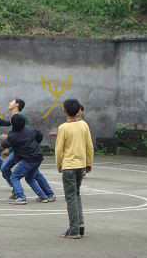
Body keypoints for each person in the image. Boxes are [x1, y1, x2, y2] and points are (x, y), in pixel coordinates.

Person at [1, 98, 55, 202]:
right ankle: (22, 192)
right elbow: (35, 135)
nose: (9, 102)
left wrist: (28, 145)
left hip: (25, 152)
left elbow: (19, 136)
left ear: (16, 104)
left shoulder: (21, 118)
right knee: (9, 169)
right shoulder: (15, 120)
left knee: (26, 174)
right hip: (27, 151)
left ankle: (23, 195)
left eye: (11, 101)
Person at [55, 98, 93, 239]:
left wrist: (59, 164)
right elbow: (89, 146)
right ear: (78, 111)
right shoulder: (84, 125)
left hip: (69, 166)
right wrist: (89, 163)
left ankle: (74, 229)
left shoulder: (63, 128)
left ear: (65, 111)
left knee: (71, 197)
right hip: (81, 166)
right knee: (76, 194)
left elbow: (59, 150)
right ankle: (80, 224)